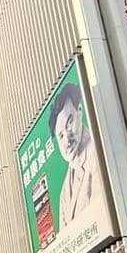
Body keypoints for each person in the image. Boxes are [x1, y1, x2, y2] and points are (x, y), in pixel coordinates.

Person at [51, 81, 96, 227]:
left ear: (80, 110)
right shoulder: (64, 191)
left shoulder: (97, 153)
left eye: (69, 123)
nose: (67, 140)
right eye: (61, 136)